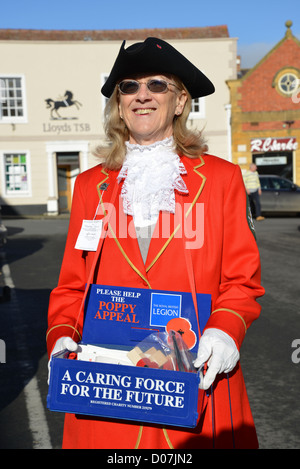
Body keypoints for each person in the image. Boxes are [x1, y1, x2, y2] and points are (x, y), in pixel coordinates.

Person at [47, 37, 264, 449]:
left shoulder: (221, 180)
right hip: (108, 391)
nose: (141, 95)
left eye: (157, 85)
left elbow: (243, 281)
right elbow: (72, 285)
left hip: (194, 385)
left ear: (180, 102)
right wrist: (61, 332)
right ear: (118, 103)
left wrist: (225, 333)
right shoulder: (90, 186)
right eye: (128, 86)